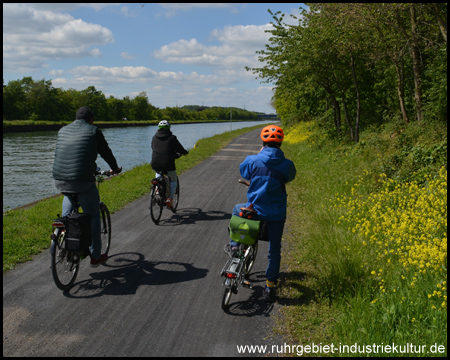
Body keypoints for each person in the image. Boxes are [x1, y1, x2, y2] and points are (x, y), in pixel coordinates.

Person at [229, 125, 296, 303]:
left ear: (263, 142)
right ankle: (270, 285)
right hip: (276, 214)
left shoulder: (253, 160)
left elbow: (244, 172)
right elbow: (290, 177)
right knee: (274, 250)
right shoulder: (287, 164)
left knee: (237, 209)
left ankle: (234, 245)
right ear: (281, 143)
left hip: (255, 210)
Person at [52, 107, 122, 267]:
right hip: (83, 180)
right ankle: (96, 256)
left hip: (59, 178)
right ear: (91, 120)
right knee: (94, 216)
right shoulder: (93, 131)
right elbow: (106, 152)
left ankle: (64, 229)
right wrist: (115, 168)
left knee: (68, 209)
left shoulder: (63, 130)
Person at [151, 120, 188, 208]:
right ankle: (170, 199)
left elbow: (153, 147)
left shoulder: (154, 137)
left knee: (158, 176)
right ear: (169, 128)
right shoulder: (172, 138)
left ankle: (157, 190)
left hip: (155, 163)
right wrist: (185, 152)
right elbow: (180, 149)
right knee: (173, 180)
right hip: (168, 164)